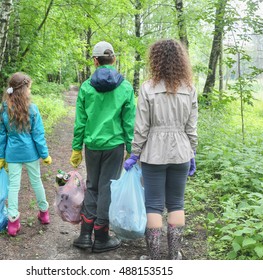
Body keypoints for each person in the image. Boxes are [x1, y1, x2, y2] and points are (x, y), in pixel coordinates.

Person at [124, 39, 198, 260]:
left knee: (153, 204)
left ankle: (154, 259)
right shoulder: (189, 89)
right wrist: (192, 151)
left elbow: (142, 126)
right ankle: (174, 255)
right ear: (180, 61)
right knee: (176, 202)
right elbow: (192, 126)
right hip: (181, 152)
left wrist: (135, 153)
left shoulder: (147, 88)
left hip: (153, 152)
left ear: (155, 60)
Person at [70, 41, 136, 253]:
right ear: (114, 59)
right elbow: (129, 121)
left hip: (92, 145)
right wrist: (130, 147)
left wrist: (76, 148)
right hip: (114, 146)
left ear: (95, 61)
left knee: (92, 185)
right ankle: (101, 237)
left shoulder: (87, 87)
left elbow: (80, 121)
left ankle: (84, 235)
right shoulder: (125, 87)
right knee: (107, 187)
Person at [0, 72, 52, 237]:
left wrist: (1, 156)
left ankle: (13, 221)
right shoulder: (32, 109)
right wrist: (45, 154)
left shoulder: (2, 111)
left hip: (12, 154)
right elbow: (38, 135)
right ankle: (44, 213)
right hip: (31, 153)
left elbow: (1, 136)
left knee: (13, 186)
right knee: (36, 182)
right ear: (25, 89)